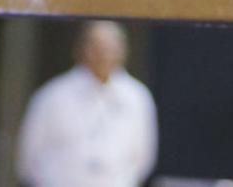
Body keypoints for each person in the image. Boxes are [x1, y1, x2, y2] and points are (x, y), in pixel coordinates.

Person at [15, 21, 157, 187]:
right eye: (97, 46)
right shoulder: (53, 95)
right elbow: (28, 156)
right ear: (81, 49)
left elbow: (143, 158)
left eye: (110, 47)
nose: (104, 54)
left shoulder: (137, 96)